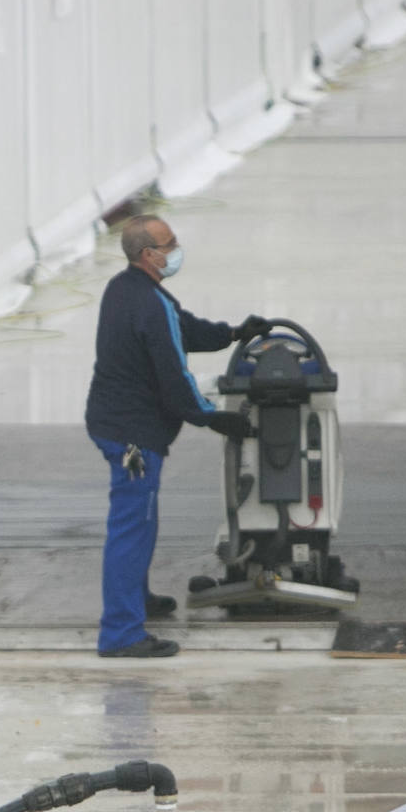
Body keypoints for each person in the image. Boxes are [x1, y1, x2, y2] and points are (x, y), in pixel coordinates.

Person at [85, 213, 269, 656]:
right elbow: (174, 375)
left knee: (140, 523)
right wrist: (213, 417)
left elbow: (181, 328)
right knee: (131, 527)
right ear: (148, 254)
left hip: (114, 420)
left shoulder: (126, 289)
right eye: (169, 244)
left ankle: (136, 600)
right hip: (133, 434)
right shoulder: (150, 303)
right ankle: (122, 634)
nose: (176, 249)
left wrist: (232, 334)